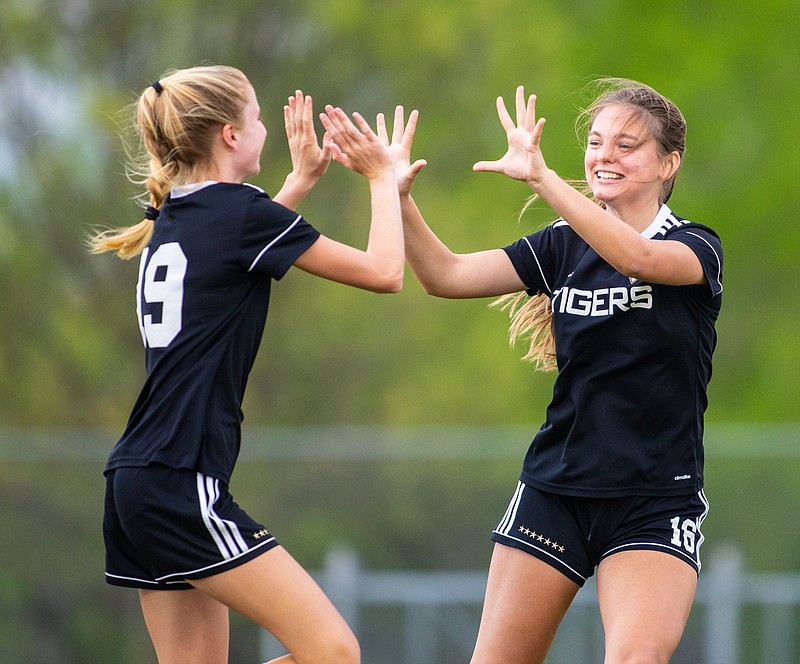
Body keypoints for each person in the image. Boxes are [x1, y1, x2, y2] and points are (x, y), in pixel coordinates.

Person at [381, 79, 723, 663]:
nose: (604, 156)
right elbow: (446, 276)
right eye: (595, 143)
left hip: (652, 500)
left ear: (669, 163)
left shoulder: (697, 246)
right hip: (555, 490)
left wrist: (544, 179)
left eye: (626, 145)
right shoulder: (563, 245)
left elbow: (634, 258)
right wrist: (397, 198)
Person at [90, 64, 405, 664]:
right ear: (231, 135)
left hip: (136, 482)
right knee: (334, 652)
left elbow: (234, 257)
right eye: (258, 118)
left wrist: (300, 183)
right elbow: (386, 272)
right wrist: (380, 177)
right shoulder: (240, 215)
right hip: (182, 481)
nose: (266, 128)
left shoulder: (175, 217)